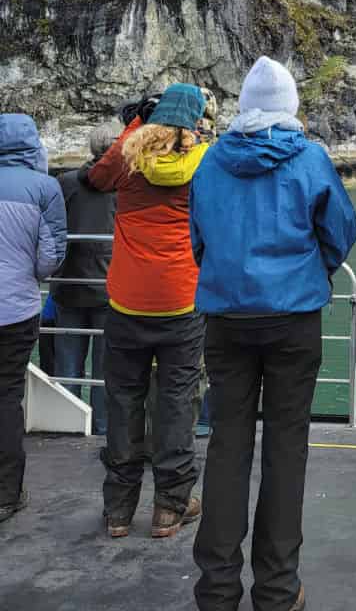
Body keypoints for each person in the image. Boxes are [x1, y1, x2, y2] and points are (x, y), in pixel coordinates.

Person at [190, 56, 356, 611]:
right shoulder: (309, 158)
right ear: (289, 105)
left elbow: (198, 239)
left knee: (227, 445)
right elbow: (341, 230)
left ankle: (216, 589)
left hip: (226, 319)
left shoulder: (211, 161)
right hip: (293, 318)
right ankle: (278, 589)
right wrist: (314, 271)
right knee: (287, 449)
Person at [89, 82, 209, 540]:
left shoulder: (128, 158)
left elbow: (94, 180)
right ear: (194, 122)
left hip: (126, 302)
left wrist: (137, 122)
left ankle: (119, 511)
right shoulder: (202, 163)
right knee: (178, 404)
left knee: (123, 402)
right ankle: (169, 508)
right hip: (182, 300)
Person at [0, 114, 66, 524]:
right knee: (7, 396)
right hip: (16, 309)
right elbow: (50, 260)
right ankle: (7, 493)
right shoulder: (45, 187)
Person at [50, 121, 119, 435]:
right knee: (107, 371)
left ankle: (69, 426)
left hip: (69, 285)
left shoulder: (65, 183)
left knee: (68, 367)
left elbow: (51, 231)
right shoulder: (128, 185)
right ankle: (103, 428)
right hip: (111, 288)